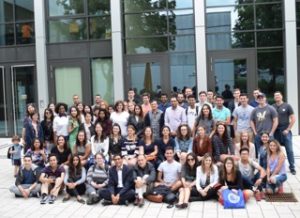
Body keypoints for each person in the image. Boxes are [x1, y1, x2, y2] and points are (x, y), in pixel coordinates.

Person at [273, 91, 296, 175]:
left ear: (282, 96)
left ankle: (292, 167)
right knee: (275, 150)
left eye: (278, 95)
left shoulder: (287, 106)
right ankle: (276, 167)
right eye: (275, 96)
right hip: (276, 131)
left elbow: (293, 118)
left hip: (285, 130)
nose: (277, 97)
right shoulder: (272, 107)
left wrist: (288, 129)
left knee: (289, 150)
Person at [250, 93, 278, 158]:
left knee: (271, 151)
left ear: (265, 98)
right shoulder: (255, 110)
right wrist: (255, 132)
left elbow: (276, 121)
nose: (261, 99)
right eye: (259, 98)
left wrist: (272, 132)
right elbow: (251, 121)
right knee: (260, 153)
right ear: (257, 100)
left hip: (269, 134)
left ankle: (270, 166)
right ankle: (262, 166)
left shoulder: (271, 108)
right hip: (258, 134)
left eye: (262, 98)